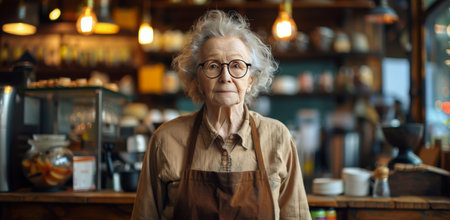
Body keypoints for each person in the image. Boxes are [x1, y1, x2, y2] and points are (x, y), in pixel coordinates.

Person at [131, 10, 311, 220]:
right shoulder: (166, 140)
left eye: (236, 66)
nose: (225, 77)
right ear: (197, 78)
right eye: (213, 66)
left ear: (251, 79)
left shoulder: (278, 138)